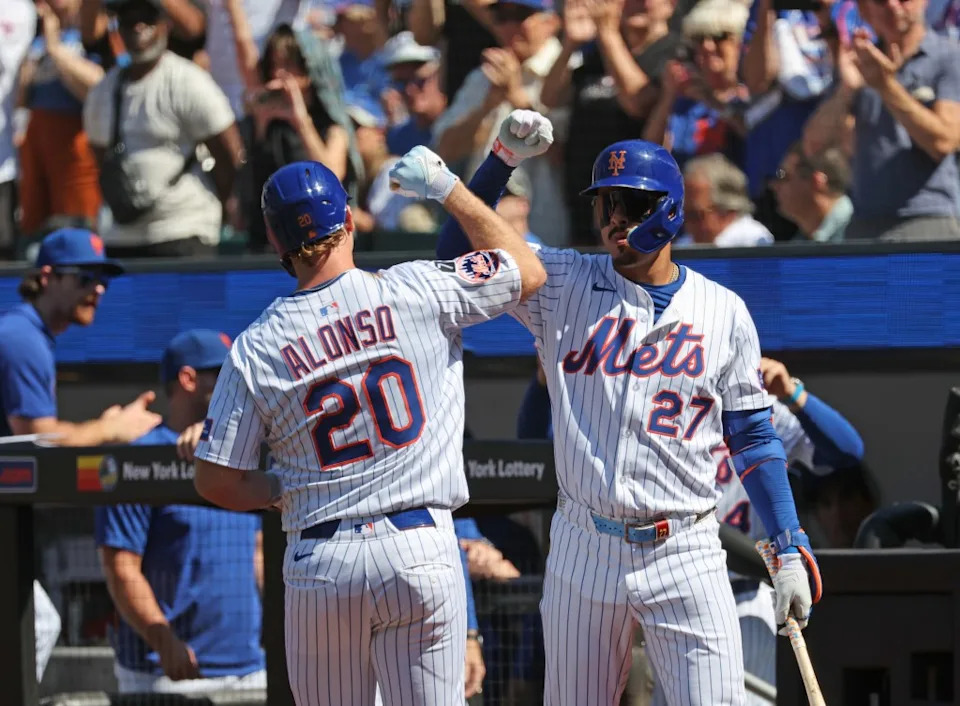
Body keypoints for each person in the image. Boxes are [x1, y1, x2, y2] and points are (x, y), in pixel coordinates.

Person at [436, 110, 822, 705]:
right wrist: (500, 162)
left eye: (632, 205)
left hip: (687, 543)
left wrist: (788, 543)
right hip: (585, 542)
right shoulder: (560, 280)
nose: (615, 219)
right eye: (606, 204)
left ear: (668, 210)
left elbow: (752, 436)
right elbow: (461, 246)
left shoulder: (723, 310)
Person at [191, 154, 546, 706]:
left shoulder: (257, 345)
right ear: (349, 221)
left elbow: (215, 479)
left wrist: (283, 491)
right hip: (421, 546)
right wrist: (451, 188)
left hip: (322, 558)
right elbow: (527, 270)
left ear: (272, 239)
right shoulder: (415, 288)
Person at [95, 329, 267, 694]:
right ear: (188, 379)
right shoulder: (139, 455)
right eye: (224, 375)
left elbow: (258, 552)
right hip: (166, 672)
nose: (237, 385)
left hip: (249, 669)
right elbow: (120, 567)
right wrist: (163, 640)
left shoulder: (243, 451)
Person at [83, 0, 244, 257]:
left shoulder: (188, 81)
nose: (138, 26)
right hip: (120, 235)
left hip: (183, 230)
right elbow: (100, 158)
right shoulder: (103, 91)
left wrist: (220, 206)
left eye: (147, 17)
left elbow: (229, 153)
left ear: (165, 23)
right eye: (127, 19)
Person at [803, 0, 960, 241]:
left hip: (928, 218)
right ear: (865, 9)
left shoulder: (949, 58)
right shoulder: (860, 60)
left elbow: (944, 143)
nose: (893, 7)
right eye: (880, 1)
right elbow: (814, 145)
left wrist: (885, 86)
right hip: (865, 223)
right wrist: (846, 90)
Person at [0, 227, 161, 443]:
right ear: (47, 277)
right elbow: (37, 438)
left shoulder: (26, 331)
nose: (98, 289)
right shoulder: (22, 338)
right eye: (85, 278)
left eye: (103, 280)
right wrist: (109, 429)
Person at [680, 153, 773, 247]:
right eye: (684, 214)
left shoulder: (755, 242)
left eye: (695, 215)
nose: (688, 225)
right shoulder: (684, 245)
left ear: (727, 210)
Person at [771, 142, 853, 242]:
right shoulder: (801, 244)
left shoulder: (859, 231)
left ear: (817, 181)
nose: (775, 186)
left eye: (783, 175)